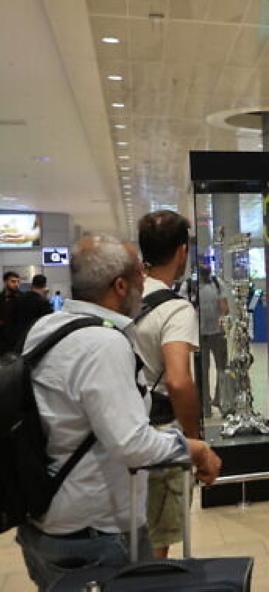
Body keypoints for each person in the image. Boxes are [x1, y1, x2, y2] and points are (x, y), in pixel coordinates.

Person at [15, 235, 221, 591]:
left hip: (45, 522)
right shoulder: (102, 344)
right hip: (95, 533)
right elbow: (132, 444)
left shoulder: (46, 329)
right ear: (120, 285)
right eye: (138, 274)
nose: (145, 281)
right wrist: (195, 448)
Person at [134, 210, 201, 559]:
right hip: (160, 432)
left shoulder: (122, 295)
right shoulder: (175, 309)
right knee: (157, 539)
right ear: (181, 252)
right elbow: (177, 380)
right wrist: (193, 439)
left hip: (121, 428)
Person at [189, 266, 231, 417]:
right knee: (203, 371)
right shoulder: (190, 286)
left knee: (222, 369)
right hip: (199, 335)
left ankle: (220, 400)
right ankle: (205, 405)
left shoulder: (217, 283)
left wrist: (222, 306)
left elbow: (225, 308)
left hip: (217, 333)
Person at [14, 274, 54, 344]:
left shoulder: (19, 298)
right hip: (35, 337)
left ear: (32, 284)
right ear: (44, 285)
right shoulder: (43, 302)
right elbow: (49, 321)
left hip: (19, 336)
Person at [0, 270, 23, 362]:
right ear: (5, 282)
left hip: (17, 340)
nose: (16, 284)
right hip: (1, 338)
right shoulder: (0, 298)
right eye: (13, 281)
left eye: (18, 282)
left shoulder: (22, 298)